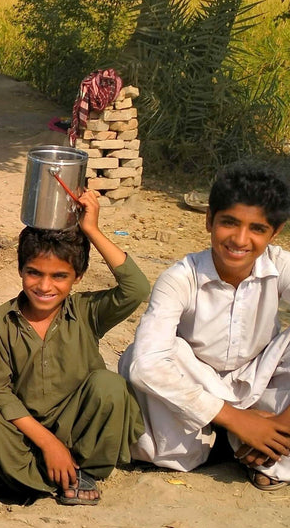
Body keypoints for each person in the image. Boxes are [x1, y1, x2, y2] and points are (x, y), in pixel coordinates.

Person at [0, 191, 149, 505]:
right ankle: (56, 477)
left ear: (78, 276)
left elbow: (137, 289)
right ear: (21, 270)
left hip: (80, 431)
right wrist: (48, 443)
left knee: (110, 386)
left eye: (59, 276)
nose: (45, 286)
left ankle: (76, 472)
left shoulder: (88, 311)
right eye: (34, 273)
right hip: (26, 431)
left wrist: (92, 230)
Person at [121, 164, 290, 490]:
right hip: (198, 383)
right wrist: (238, 420)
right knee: (150, 355)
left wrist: (281, 426)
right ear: (209, 219)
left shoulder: (279, 265)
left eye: (257, 228)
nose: (240, 240)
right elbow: (146, 366)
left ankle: (266, 445)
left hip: (258, 382)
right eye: (230, 223)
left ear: (275, 232)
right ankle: (235, 439)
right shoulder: (181, 277)